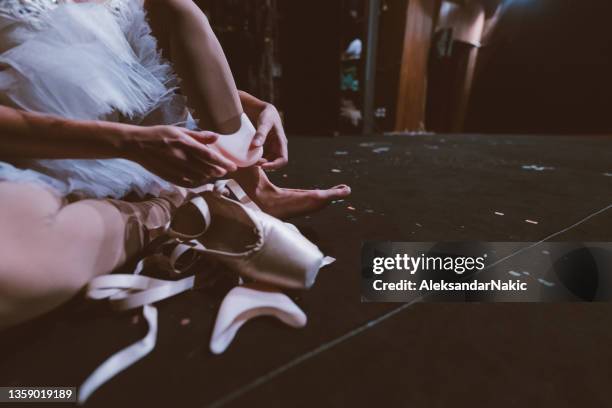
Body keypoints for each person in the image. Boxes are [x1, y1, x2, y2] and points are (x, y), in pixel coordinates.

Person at [0, 0, 350, 330]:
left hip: (137, 150)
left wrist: (246, 111)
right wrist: (128, 143)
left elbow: (139, 78)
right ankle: (174, 207)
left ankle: (255, 192)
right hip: (32, 154)